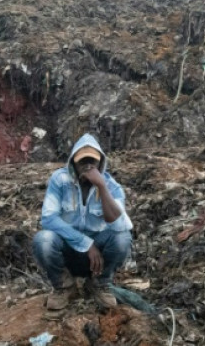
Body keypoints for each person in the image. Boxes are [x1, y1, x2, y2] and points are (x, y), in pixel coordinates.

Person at [32, 133, 133, 311]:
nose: (87, 167)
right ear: (73, 164)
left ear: (100, 163)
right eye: (82, 162)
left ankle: (100, 284)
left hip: (97, 260)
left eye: (92, 162)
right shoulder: (60, 180)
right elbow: (48, 218)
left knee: (122, 238)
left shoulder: (111, 186)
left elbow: (120, 225)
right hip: (68, 251)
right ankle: (64, 286)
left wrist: (102, 187)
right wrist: (85, 243)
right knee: (43, 239)